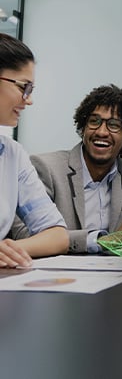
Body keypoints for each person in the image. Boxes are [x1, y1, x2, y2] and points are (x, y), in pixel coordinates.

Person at [11, 84, 122, 253]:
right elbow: (24, 236)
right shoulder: (45, 168)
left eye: (114, 125)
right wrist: (101, 241)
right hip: (57, 276)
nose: (102, 132)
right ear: (83, 127)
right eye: (94, 121)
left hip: (114, 273)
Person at [0, 33, 69, 266]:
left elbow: (57, 235)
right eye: (24, 87)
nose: (28, 100)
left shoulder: (12, 154)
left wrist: (10, 250)